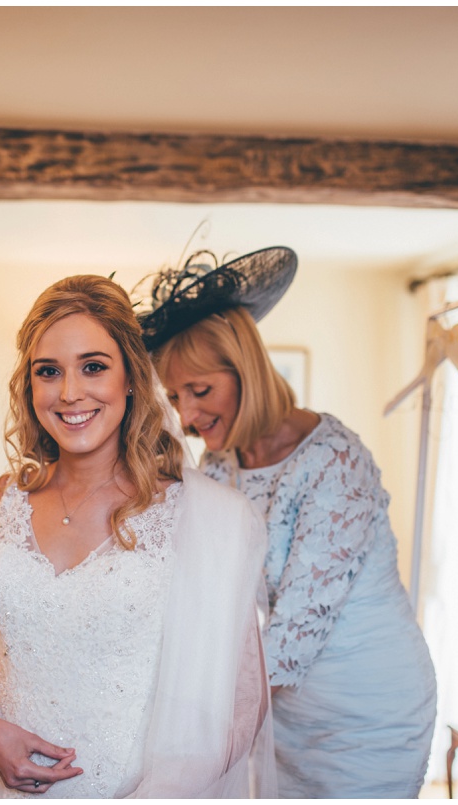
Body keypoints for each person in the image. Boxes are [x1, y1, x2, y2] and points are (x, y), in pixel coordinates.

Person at [0, 274, 276, 798]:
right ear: (30, 386)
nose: (69, 393)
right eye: (48, 372)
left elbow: (244, 700)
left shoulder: (196, 515)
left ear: (131, 378)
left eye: (93, 367)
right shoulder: (4, 500)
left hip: (132, 791)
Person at [139, 247, 437, 798]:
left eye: (200, 391)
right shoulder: (220, 464)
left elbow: (296, 631)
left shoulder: (336, 463)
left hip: (366, 708)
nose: (187, 416)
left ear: (246, 373)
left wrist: (197, 726)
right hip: (279, 713)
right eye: (176, 396)